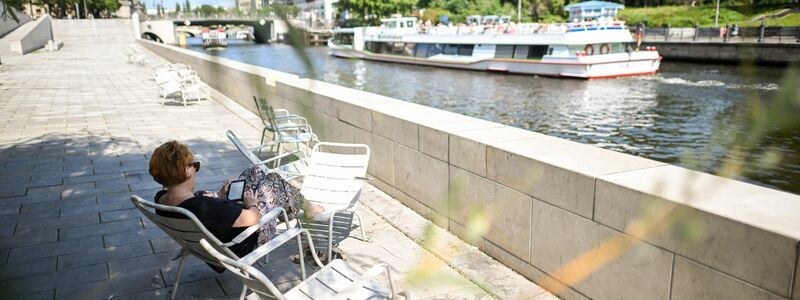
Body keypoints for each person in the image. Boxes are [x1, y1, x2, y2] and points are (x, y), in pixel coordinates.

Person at [148, 140, 325, 271]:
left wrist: (219, 195)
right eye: (195, 165)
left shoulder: (161, 199)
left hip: (218, 234)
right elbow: (253, 218)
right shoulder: (202, 206)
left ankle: (293, 205)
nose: (195, 169)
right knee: (274, 182)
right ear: (187, 171)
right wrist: (252, 204)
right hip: (245, 243)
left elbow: (206, 208)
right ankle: (304, 208)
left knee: (254, 171)